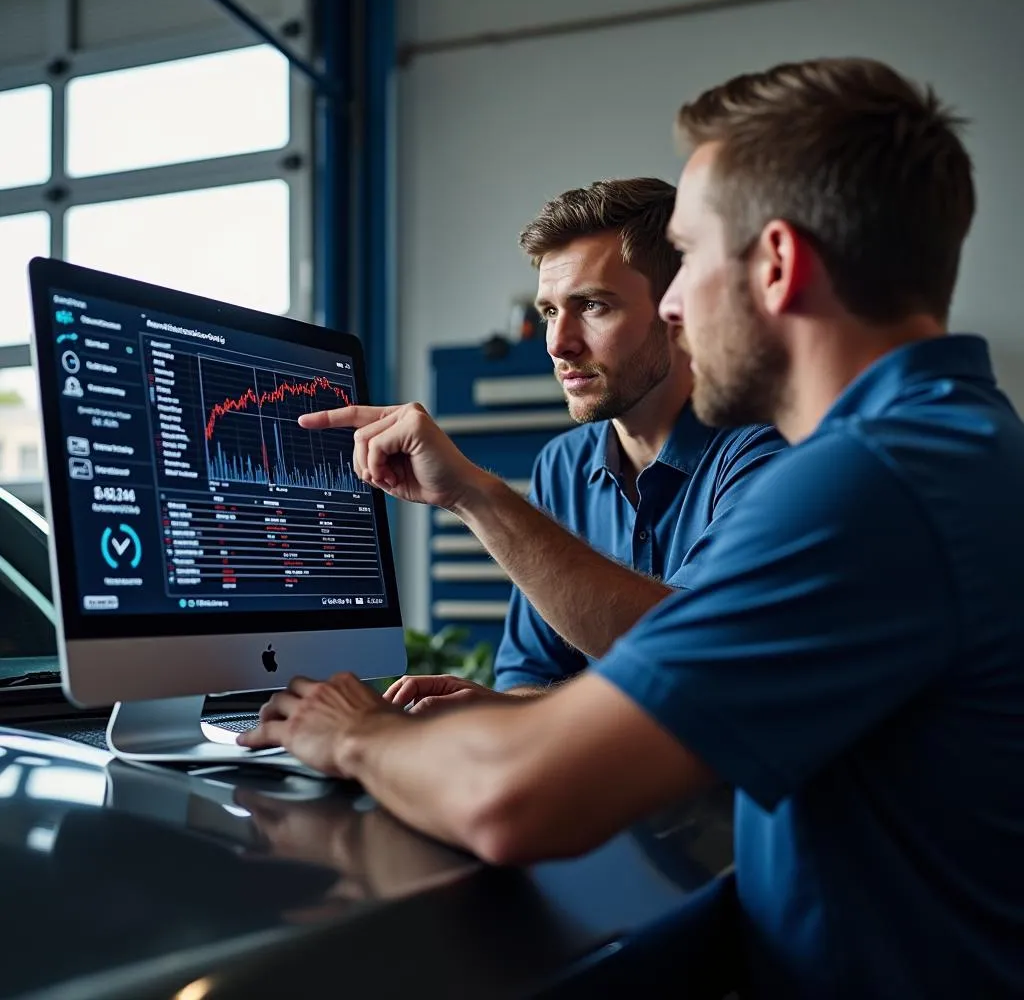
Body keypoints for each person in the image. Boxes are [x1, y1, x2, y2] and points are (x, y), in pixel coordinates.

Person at [240, 57, 1024, 997]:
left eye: (687, 257)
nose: (680, 304)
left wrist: (353, 735)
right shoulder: (953, 444)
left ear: (776, 264)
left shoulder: (871, 486)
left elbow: (516, 800)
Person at [402, 178, 783, 712]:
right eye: (551, 312)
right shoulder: (562, 465)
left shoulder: (765, 455)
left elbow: (697, 662)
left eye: (594, 306)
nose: (558, 344)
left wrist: (474, 495)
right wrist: (500, 710)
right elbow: (528, 678)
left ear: (676, 308)